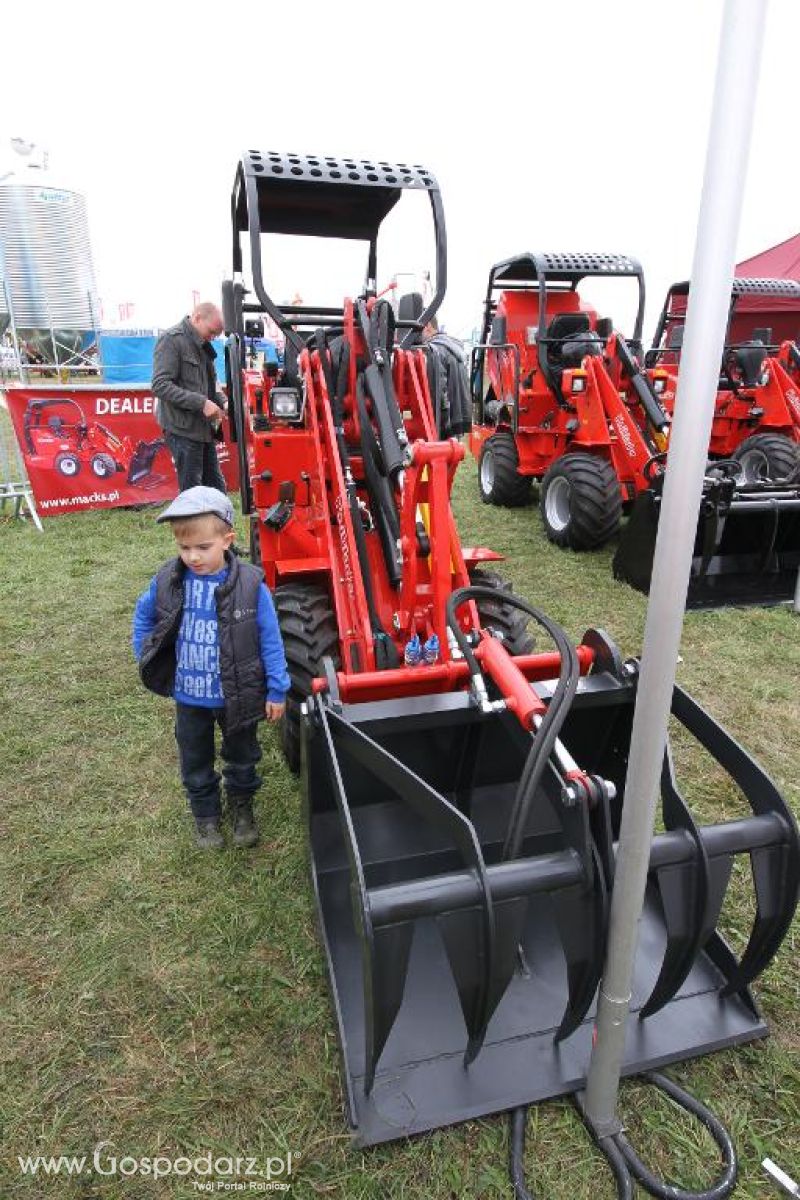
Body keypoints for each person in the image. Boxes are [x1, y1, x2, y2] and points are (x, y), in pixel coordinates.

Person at [132, 486, 290, 850]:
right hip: (189, 696)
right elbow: (144, 615)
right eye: (184, 547)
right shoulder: (169, 582)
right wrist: (146, 653)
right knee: (194, 756)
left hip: (238, 695)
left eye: (202, 548)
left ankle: (241, 806)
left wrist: (277, 688)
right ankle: (205, 816)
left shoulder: (251, 586)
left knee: (242, 754)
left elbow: (270, 639)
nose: (192, 557)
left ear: (227, 540)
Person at [152, 302, 228, 491]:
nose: (213, 338)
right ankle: (192, 521)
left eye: (216, 335)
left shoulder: (203, 344)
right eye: (211, 332)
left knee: (216, 490)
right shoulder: (171, 340)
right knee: (192, 494)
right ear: (197, 318)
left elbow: (211, 382)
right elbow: (160, 385)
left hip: (203, 430)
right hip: (182, 431)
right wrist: (201, 403)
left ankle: (215, 521)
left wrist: (224, 402)